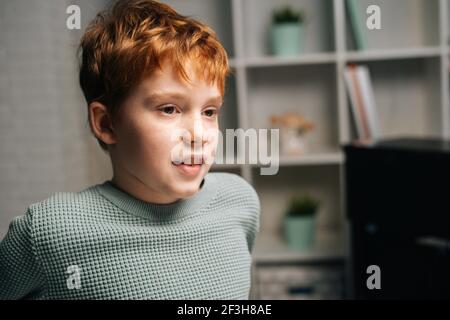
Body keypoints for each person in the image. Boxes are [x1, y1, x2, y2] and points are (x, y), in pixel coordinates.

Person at [0, 0, 260, 299]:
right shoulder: (48, 232)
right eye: (169, 109)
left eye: (210, 111)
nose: (199, 135)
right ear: (106, 123)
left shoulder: (240, 202)